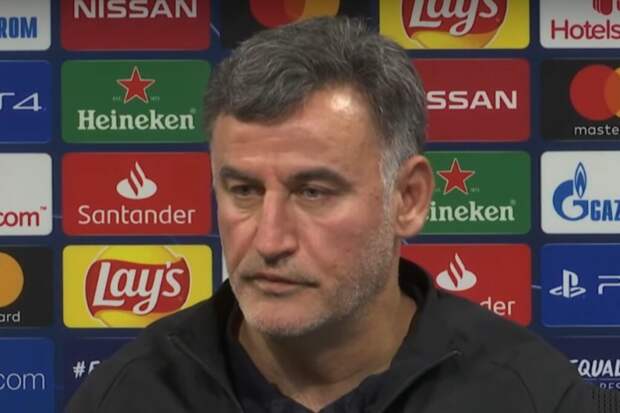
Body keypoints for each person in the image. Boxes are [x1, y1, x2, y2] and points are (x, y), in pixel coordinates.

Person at [67, 17, 601, 413]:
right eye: (244, 190)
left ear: (408, 198)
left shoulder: (530, 394)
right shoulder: (129, 394)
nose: (270, 240)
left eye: (313, 192)